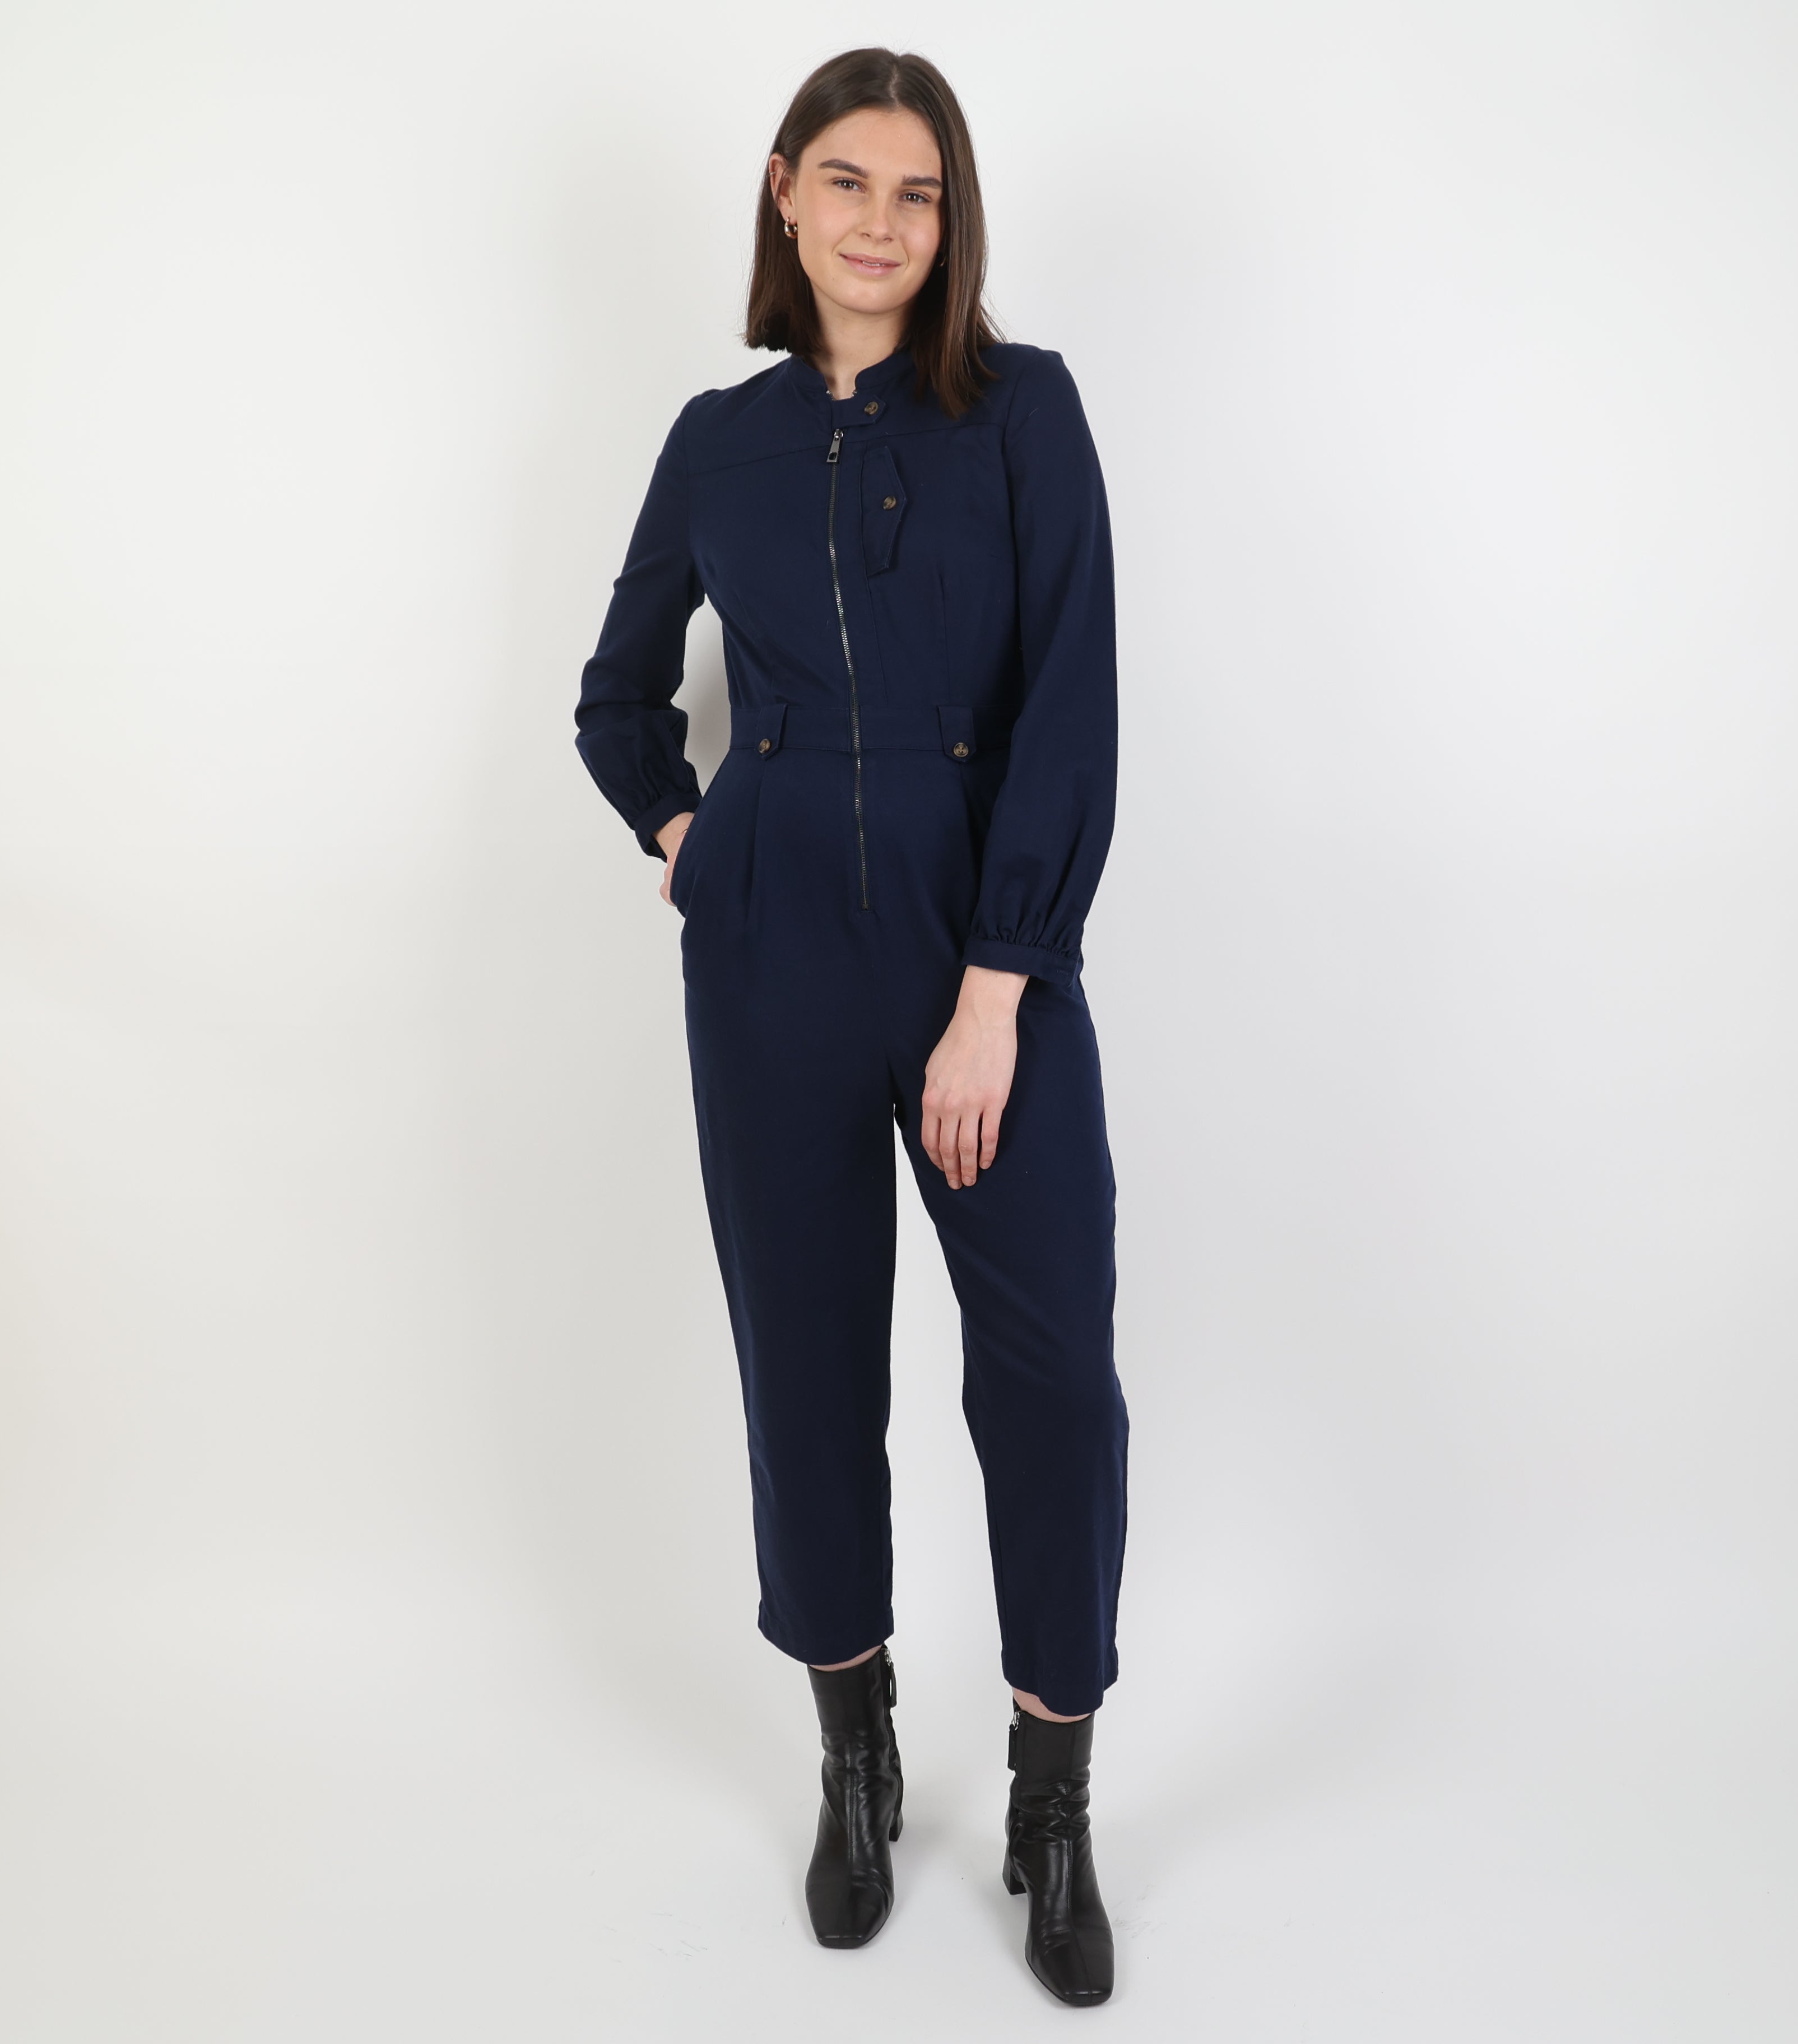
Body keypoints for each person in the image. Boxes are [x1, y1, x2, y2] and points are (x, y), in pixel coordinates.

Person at [572, 47, 1128, 2008]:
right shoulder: (715, 441)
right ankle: (856, 1752)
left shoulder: (1023, 412)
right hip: (773, 962)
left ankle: (1053, 1801)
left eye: (921, 193)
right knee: (805, 1373)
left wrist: (999, 988)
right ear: (786, 192)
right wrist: (688, 838)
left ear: (949, 221)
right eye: (850, 182)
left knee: (1050, 1377)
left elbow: (1072, 705)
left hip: (986, 964)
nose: (884, 223)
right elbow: (618, 696)